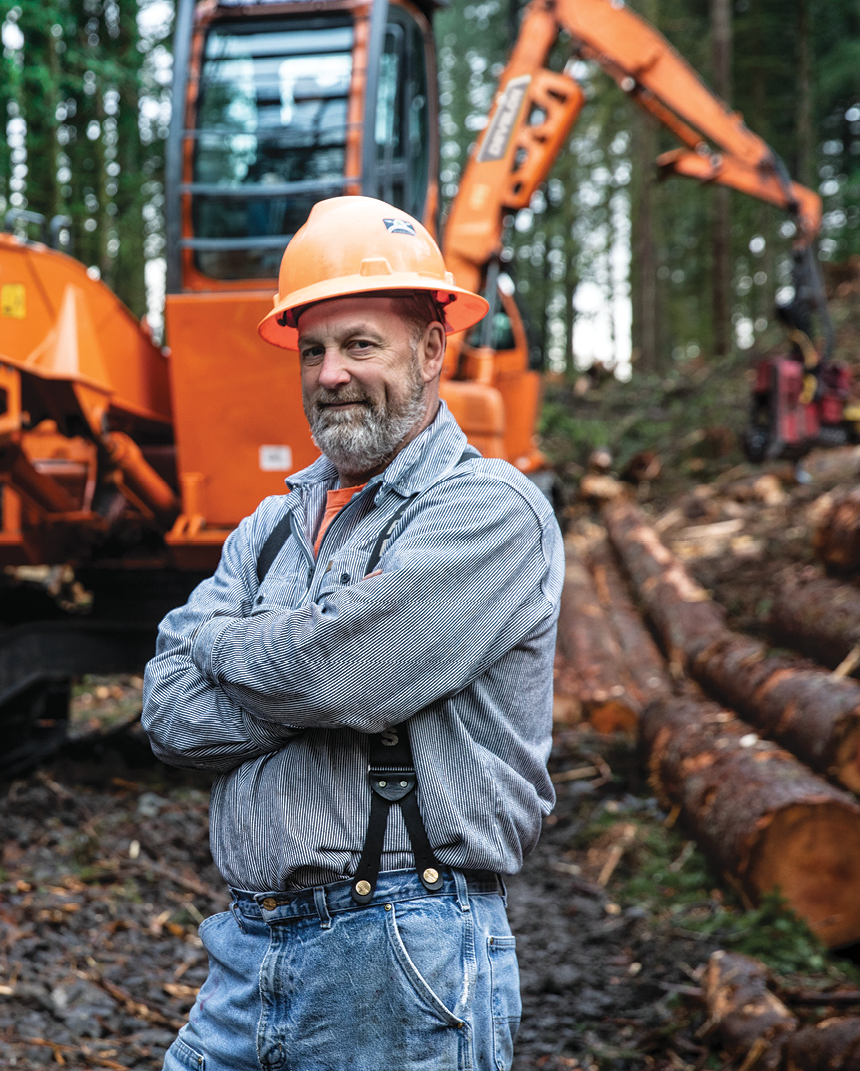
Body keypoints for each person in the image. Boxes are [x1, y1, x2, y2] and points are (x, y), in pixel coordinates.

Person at [142, 196, 561, 1071]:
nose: (331, 373)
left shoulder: (489, 511)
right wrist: (301, 670)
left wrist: (229, 644)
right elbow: (170, 712)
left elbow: (338, 675)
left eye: (360, 344)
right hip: (247, 950)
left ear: (432, 349)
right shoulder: (271, 522)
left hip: (402, 950)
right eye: (313, 350)